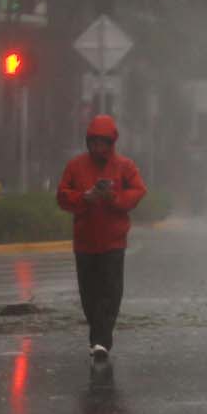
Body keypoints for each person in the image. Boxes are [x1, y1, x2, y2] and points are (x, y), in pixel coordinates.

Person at [56, 115, 147, 362]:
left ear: (111, 142)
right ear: (88, 142)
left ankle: (101, 341)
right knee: (89, 293)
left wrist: (114, 199)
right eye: (94, 142)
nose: (98, 148)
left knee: (111, 291)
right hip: (85, 241)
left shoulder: (124, 166)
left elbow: (138, 190)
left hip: (113, 241)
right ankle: (98, 337)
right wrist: (83, 199)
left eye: (103, 142)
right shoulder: (75, 166)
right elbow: (62, 195)